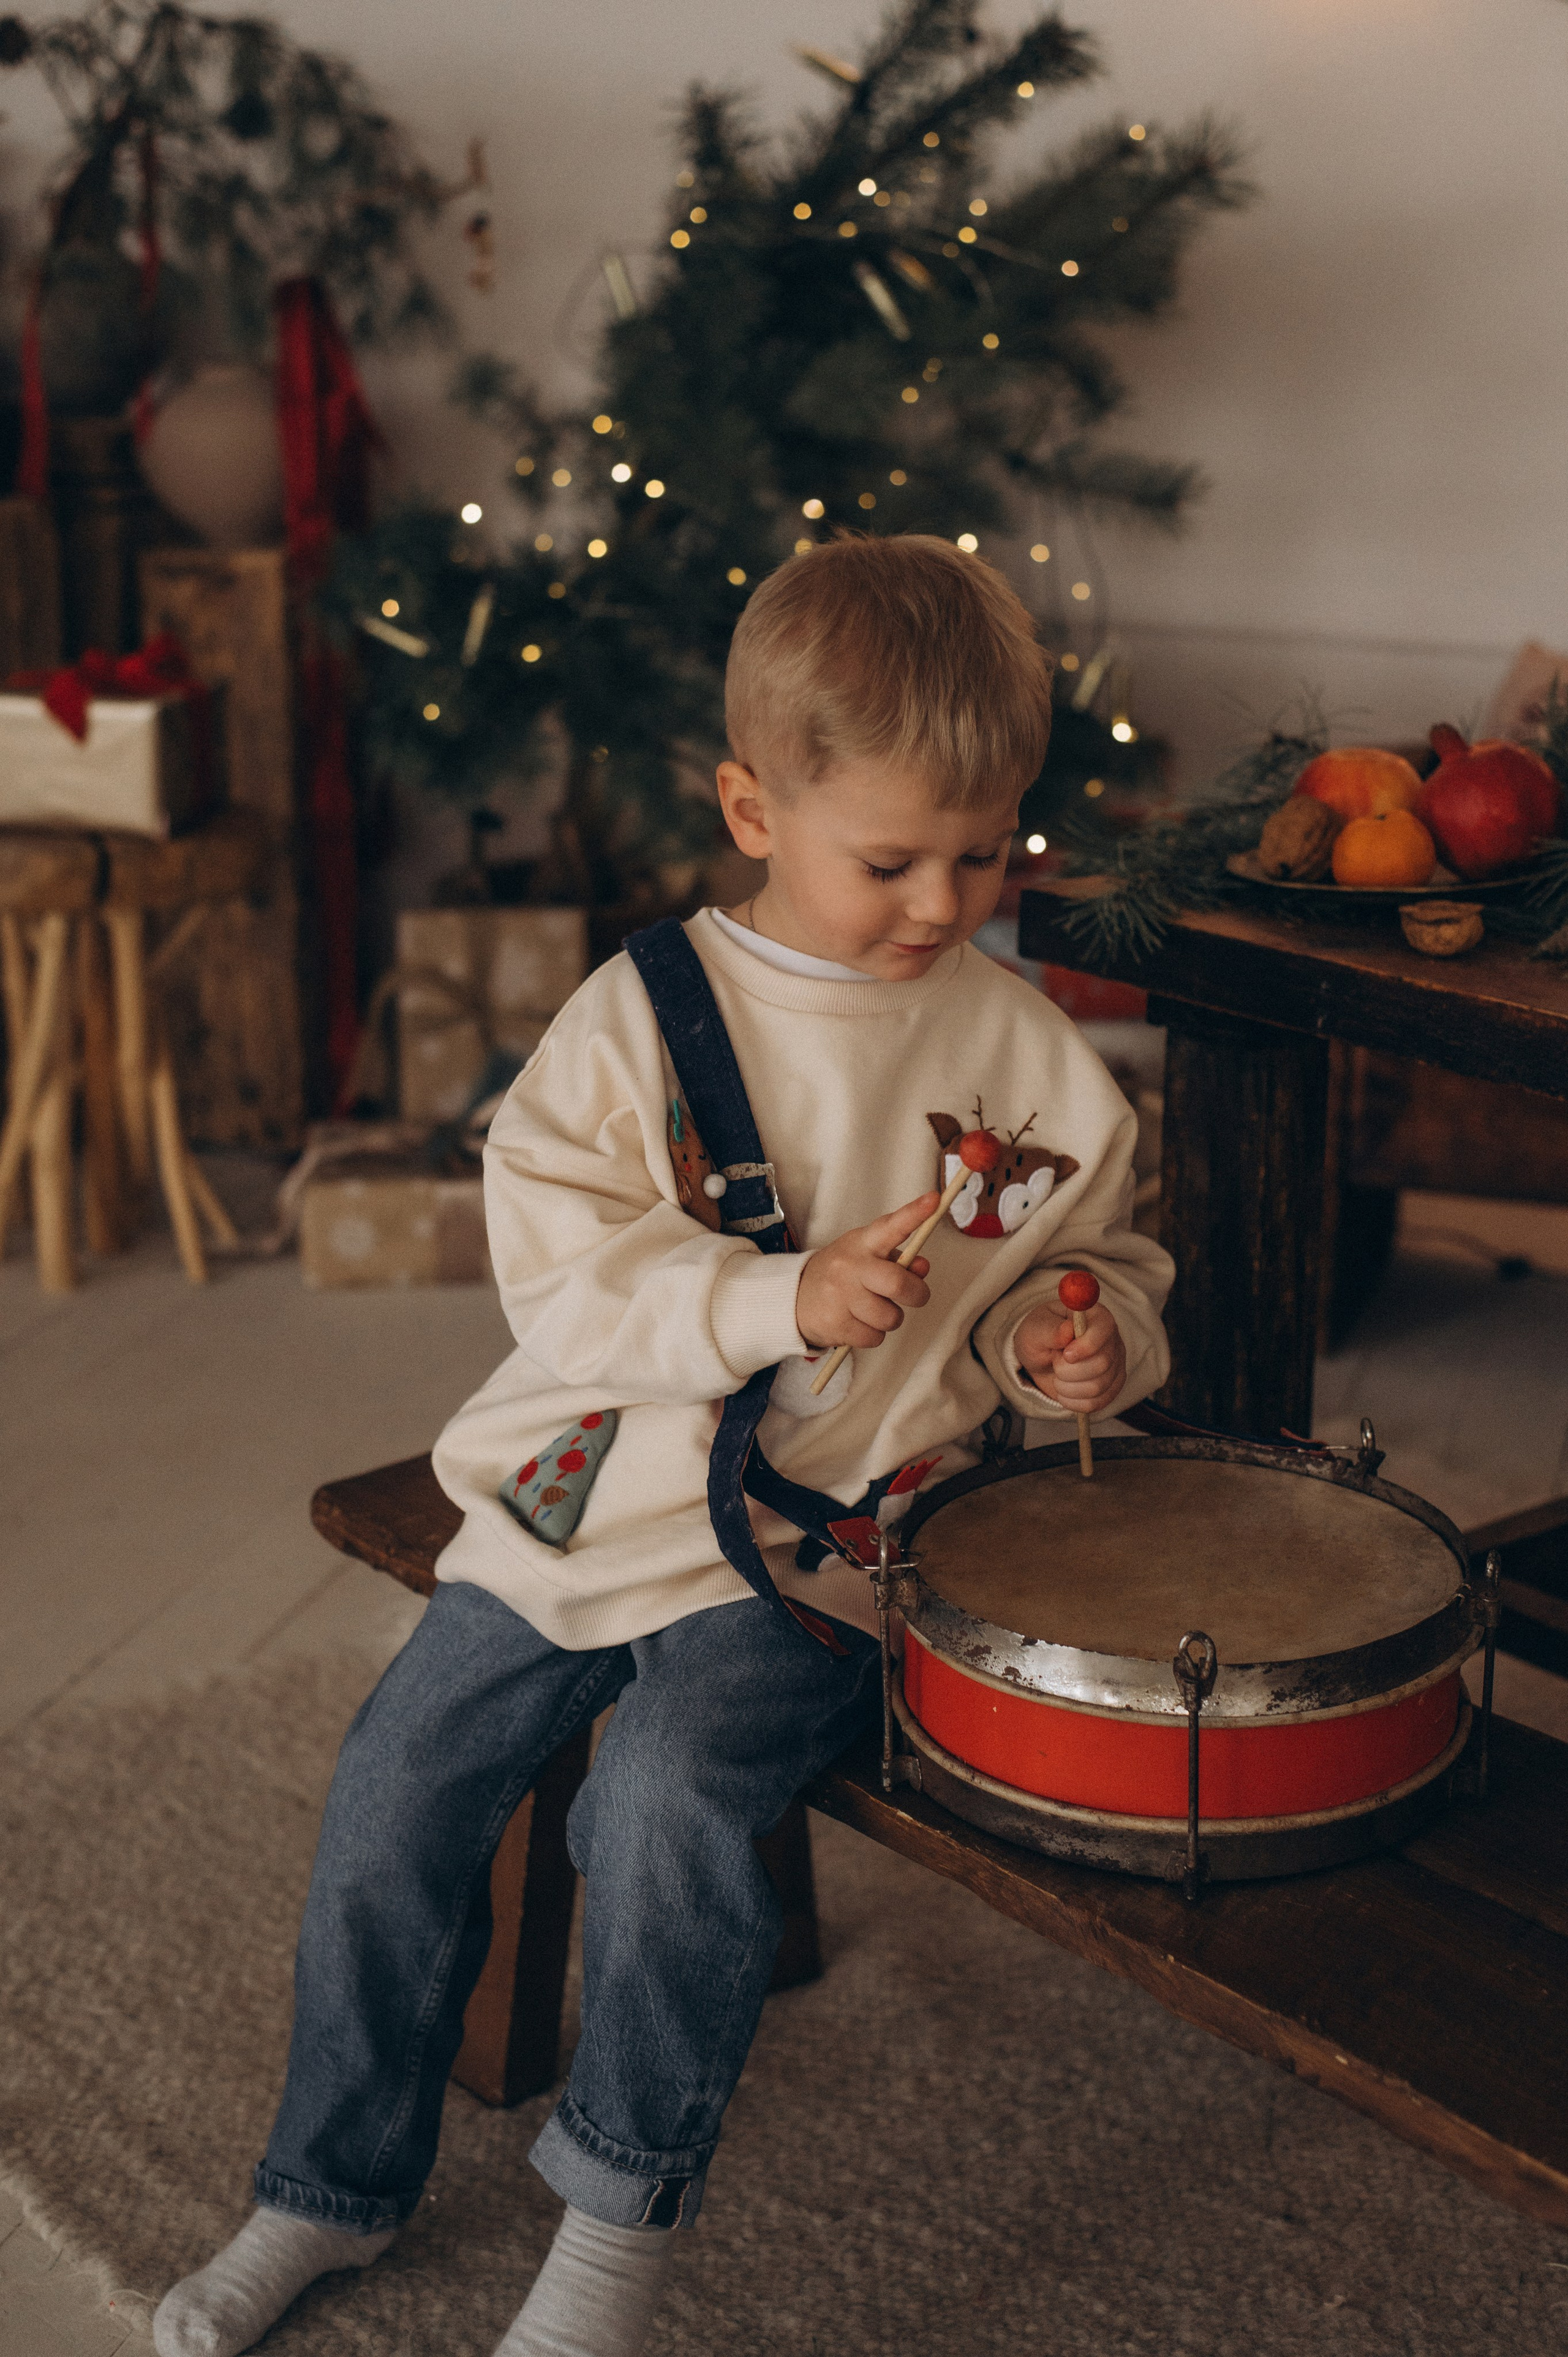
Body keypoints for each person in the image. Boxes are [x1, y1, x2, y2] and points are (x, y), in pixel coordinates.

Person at [154, 534, 1173, 2357]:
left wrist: (1069, 1343)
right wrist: (770, 1304)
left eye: (985, 849)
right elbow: (559, 1272)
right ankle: (326, 2189)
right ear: (751, 807)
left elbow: (1084, 1263)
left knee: (667, 1807)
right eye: (890, 859)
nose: (944, 900)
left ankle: (612, 2235)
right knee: (396, 1793)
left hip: (804, 1560)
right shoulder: (642, 1015)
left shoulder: (1031, 1055)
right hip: (579, 1507)